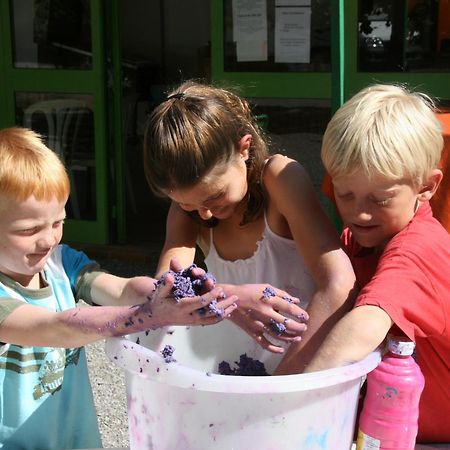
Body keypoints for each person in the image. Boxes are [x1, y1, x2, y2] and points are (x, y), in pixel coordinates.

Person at [0, 127, 240, 449]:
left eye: (58, 223)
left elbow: (121, 288)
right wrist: (146, 316)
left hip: (74, 438)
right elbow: (55, 327)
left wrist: (163, 290)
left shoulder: (60, 262)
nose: (48, 240)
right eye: (29, 229)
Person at [143, 80, 356, 364]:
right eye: (187, 204)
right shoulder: (192, 208)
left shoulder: (280, 180)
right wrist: (231, 297)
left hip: (304, 365)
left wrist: (283, 383)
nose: (203, 214)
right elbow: (166, 293)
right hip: (237, 363)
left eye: (215, 197)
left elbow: (339, 284)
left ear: (243, 148)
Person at [304, 84, 450, 443]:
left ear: (427, 186)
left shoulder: (419, 248)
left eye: (380, 198)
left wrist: (292, 401)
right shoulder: (361, 239)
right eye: (345, 194)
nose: (359, 212)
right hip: (386, 424)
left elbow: (366, 324)